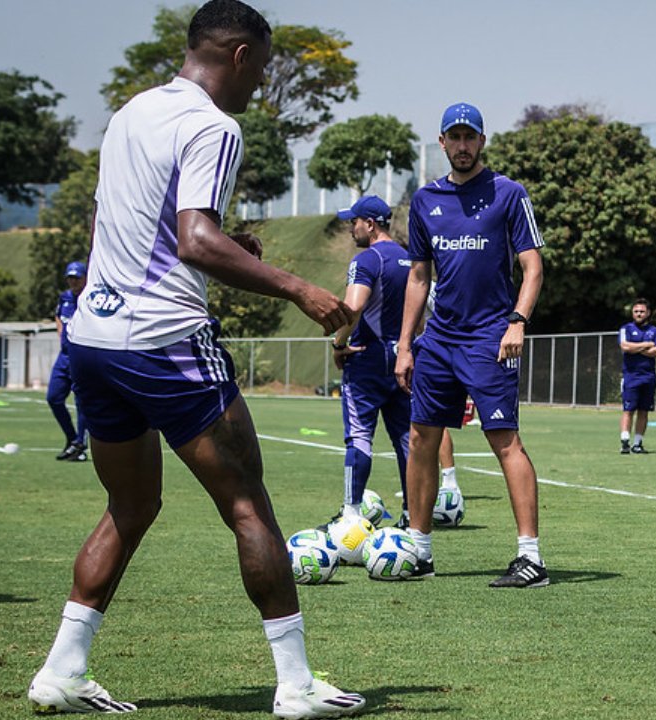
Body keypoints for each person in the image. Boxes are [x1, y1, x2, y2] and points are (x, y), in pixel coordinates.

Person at [27, 2, 365, 717]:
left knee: (131, 504)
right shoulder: (215, 125)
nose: (260, 84)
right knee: (246, 503)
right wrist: (301, 288)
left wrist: (227, 245)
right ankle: (297, 685)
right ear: (239, 55)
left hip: (95, 338)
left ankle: (62, 670)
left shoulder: (130, 114)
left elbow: (117, 222)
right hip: (166, 343)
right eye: (262, 68)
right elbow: (193, 240)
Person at [395, 102, 548, 588]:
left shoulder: (509, 193)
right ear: (442, 142)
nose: (462, 145)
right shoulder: (425, 200)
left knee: (505, 440)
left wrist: (517, 322)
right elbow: (419, 276)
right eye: (454, 137)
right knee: (421, 438)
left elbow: (532, 267)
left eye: (470, 137)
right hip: (439, 339)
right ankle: (419, 550)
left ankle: (531, 559)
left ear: (482, 141)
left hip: (490, 336)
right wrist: (405, 344)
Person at [331, 195, 411, 527]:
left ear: (370, 224)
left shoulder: (367, 259)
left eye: (354, 222)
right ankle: (412, 517)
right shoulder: (410, 258)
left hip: (368, 357)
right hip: (404, 357)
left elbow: (353, 307)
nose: (351, 228)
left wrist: (339, 343)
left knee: (360, 435)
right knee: (407, 438)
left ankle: (351, 515)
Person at [49, 261, 90, 462]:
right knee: (54, 398)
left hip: (82, 357)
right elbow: (58, 315)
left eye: (77, 278)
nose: (73, 282)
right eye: (70, 278)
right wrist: (60, 332)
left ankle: (80, 444)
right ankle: (72, 439)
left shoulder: (90, 298)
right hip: (64, 356)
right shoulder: (64, 297)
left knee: (81, 401)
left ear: (85, 278)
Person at [618, 298, 656, 454]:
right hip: (631, 376)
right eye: (636, 311)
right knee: (628, 410)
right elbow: (625, 346)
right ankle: (625, 442)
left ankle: (637, 444)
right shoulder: (626, 329)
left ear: (648, 313)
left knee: (644, 411)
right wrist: (646, 345)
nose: (639, 314)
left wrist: (636, 349)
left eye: (642, 311)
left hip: (648, 377)